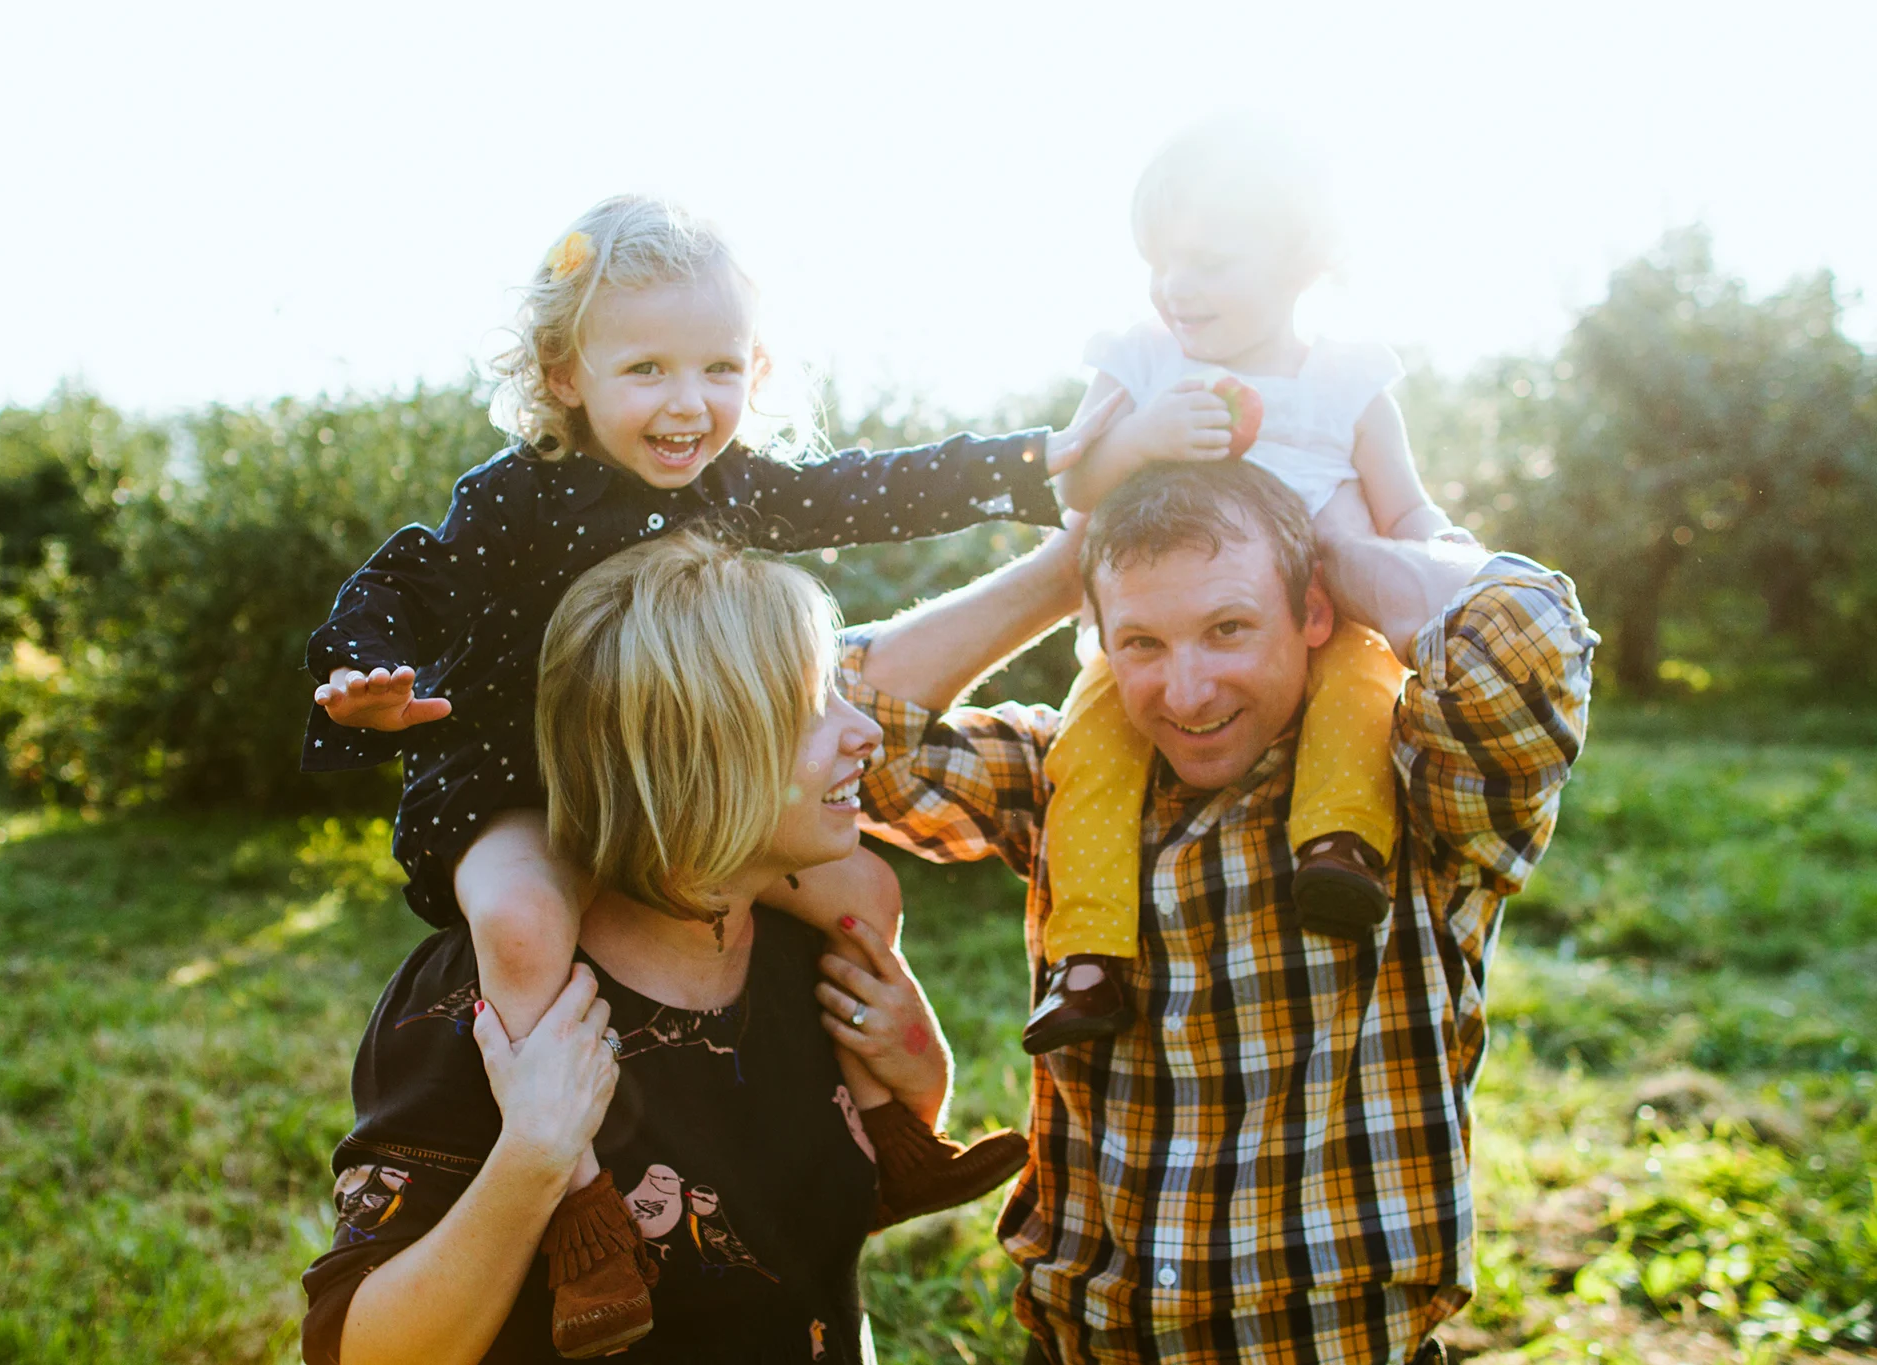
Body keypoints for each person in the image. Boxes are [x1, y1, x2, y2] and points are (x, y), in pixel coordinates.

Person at [298, 196, 1119, 1336]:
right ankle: (585, 1212)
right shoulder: (512, 501)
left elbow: (870, 490)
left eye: (719, 368)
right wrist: (365, 675)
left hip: (671, 802)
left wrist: (1037, 467)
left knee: (865, 889)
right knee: (527, 925)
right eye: (645, 368)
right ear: (564, 373)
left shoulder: (733, 489)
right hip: (509, 788)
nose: (688, 404)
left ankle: (901, 1141)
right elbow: (404, 590)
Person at [841, 460, 1597, 1362]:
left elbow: (1528, 638)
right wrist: (1065, 565)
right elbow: (845, 723)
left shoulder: (1423, 780)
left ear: (1313, 613)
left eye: (1228, 627)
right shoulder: (1068, 781)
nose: (1187, 692)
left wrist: (1341, 550)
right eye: (1144, 644)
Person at [303, 532, 1016, 1363]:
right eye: (815, 704)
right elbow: (361, 1351)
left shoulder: (801, 951)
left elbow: (781, 1237)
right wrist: (533, 1154)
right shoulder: (491, 1006)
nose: (864, 733)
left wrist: (922, 1087)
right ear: (699, 747)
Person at [1026, 115, 1463, 1054]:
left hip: (1324, 622)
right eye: (1159, 263)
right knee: (1092, 748)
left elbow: (1409, 513)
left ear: (1304, 261)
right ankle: (1091, 953)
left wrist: (1454, 569)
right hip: (1161, 625)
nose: (1175, 288)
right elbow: (1071, 479)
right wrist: (1140, 440)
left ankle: (1340, 850)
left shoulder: (1348, 378)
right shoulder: (1144, 359)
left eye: (1207, 263)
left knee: (1363, 692)